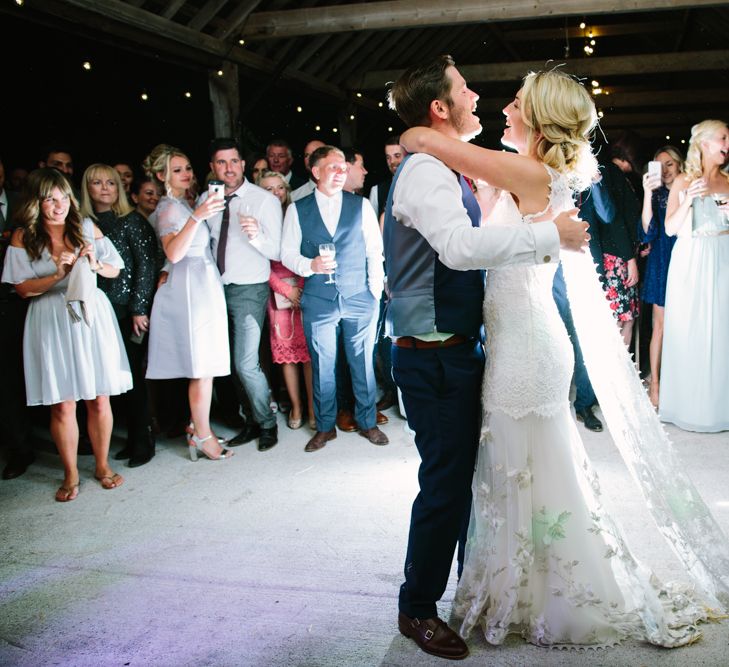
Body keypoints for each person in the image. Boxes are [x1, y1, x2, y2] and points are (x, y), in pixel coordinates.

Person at [394, 59, 720, 655]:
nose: (500, 104)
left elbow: (476, 205)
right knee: (505, 473)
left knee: (517, 471)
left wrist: (419, 135)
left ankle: (528, 589)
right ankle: (494, 585)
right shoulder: (516, 171)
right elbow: (471, 231)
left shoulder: (527, 172)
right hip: (511, 340)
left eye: (516, 100)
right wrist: (423, 141)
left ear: (539, 119)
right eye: (474, 90)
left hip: (525, 347)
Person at [384, 56, 588, 659]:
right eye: (466, 88)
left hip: (476, 348)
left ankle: (491, 587)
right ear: (440, 106)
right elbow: (458, 248)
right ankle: (416, 609)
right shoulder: (425, 170)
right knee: (445, 487)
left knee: (478, 483)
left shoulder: (457, 166)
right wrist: (552, 235)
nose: (482, 96)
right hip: (434, 354)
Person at [2, 168, 132, 500]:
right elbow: (21, 288)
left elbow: (115, 267)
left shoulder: (87, 227)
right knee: (62, 403)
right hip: (49, 316)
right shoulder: (23, 237)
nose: (59, 206)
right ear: (36, 202)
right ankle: (71, 473)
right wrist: (57, 274)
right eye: (50, 199)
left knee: (98, 397)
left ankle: (101, 466)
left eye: (63, 198)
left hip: (89, 313)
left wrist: (93, 263)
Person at [281, 145, 387, 452]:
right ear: (316, 172)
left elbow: (373, 251)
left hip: (358, 296)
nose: (341, 173)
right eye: (334, 168)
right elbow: (286, 252)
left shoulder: (361, 206)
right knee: (322, 363)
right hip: (318, 297)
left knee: (362, 362)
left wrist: (374, 295)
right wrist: (308, 266)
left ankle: (367, 422)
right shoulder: (297, 209)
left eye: (343, 168)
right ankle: (325, 427)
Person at [143, 144, 234, 460]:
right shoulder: (169, 208)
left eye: (188, 168)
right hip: (190, 288)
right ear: (161, 175)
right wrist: (197, 216)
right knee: (200, 365)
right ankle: (203, 435)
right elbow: (174, 252)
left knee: (206, 364)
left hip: (202, 281)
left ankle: (198, 427)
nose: (187, 174)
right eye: (178, 170)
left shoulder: (185, 203)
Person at [202, 138, 282, 452]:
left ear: (243, 165)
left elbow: (275, 250)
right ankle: (249, 420)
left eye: (234, 161)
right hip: (213, 290)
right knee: (229, 362)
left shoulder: (263, 200)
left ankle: (267, 423)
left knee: (246, 363)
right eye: (221, 163)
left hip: (249, 288)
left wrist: (256, 236)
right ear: (212, 167)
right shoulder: (207, 200)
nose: (229, 168)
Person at [80, 164, 158, 467]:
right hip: (97, 309)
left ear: (119, 188)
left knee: (132, 377)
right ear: (87, 188)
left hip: (126, 309)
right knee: (108, 378)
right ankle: (129, 438)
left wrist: (139, 309)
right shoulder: (82, 223)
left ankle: (143, 441)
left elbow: (145, 267)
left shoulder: (132, 222)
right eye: (97, 183)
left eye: (110, 183)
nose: (104, 188)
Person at [660, 120, 729, 432]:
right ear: (704, 143)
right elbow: (670, 229)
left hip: (723, 255)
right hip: (690, 260)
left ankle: (719, 409)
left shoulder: (728, 182)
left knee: (721, 330)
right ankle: (686, 407)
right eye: (723, 138)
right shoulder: (684, 181)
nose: (728, 144)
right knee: (689, 330)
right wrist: (688, 199)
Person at [258, 169, 315, 430]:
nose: (275, 193)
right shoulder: (259, 223)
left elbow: (309, 252)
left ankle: (314, 409)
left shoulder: (298, 215)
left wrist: (300, 288)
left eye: (279, 187)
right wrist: (285, 290)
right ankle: (296, 405)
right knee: (288, 355)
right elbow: (259, 264)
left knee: (308, 355)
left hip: (304, 286)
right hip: (278, 293)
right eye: (268, 189)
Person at [640, 146, 682, 407]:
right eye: (659, 166)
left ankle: (681, 381)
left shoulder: (691, 189)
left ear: (680, 165)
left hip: (688, 258)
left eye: (670, 164)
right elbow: (646, 232)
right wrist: (647, 194)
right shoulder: (655, 196)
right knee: (661, 328)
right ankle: (655, 383)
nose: (665, 171)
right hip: (662, 262)